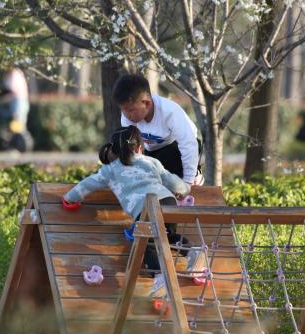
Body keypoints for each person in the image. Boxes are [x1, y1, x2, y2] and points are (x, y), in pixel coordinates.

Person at [61, 125, 191, 272]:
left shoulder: (110, 169)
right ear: (140, 148)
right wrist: (185, 189)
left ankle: (159, 276)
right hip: (168, 202)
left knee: (146, 244)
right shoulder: (151, 161)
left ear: (114, 150)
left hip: (145, 209)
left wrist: (70, 198)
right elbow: (172, 181)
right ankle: (192, 252)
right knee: (170, 237)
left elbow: (88, 183)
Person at [112, 74, 203, 186]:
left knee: (168, 162)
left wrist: (188, 180)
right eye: (123, 110)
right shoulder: (128, 117)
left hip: (179, 147)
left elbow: (188, 144)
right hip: (153, 150)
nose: (127, 115)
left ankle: (194, 174)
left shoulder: (170, 112)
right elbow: (131, 148)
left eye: (130, 110)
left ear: (147, 103)